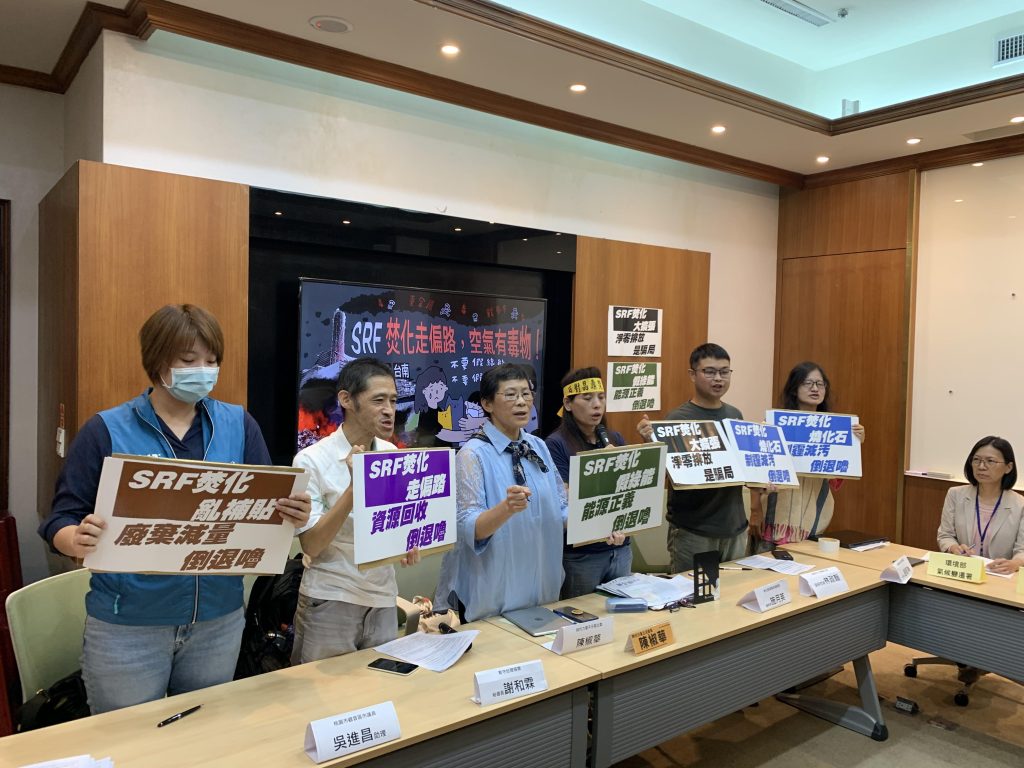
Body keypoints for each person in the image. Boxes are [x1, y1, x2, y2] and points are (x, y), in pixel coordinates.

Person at [38, 304, 311, 714]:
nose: (203, 370)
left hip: (218, 622)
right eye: (188, 361)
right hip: (127, 626)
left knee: (200, 743)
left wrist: (294, 514)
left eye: (211, 360)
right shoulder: (107, 429)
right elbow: (60, 517)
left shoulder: (239, 425)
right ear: (158, 360)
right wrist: (75, 538)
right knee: (126, 745)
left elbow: (269, 506)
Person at [291, 357, 420, 664]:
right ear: (346, 400)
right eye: (378, 400)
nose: (389, 410)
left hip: (384, 597)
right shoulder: (311, 460)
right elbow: (312, 544)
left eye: (393, 400)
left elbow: (394, 524)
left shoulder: (392, 454)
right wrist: (354, 488)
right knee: (322, 699)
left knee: (379, 690)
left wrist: (408, 544)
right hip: (330, 597)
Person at [435, 363, 566, 621]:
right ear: (487, 404)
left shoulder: (538, 446)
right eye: (510, 394)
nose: (522, 402)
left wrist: (599, 525)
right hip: (494, 593)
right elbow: (468, 528)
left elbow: (562, 508)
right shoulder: (472, 454)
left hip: (542, 583)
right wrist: (505, 509)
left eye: (526, 394)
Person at [637, 343, 745, 573]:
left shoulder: (735, 415)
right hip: (694, 530)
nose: (718, 378)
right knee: (692, 601)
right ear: (692, 375)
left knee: (731, 598)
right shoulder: (676, 419)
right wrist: (649, 442)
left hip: (734, 527)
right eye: (709, 371)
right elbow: (664, 472)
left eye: (724, 372)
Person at [750, 361, 867, 551]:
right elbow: (756, 473)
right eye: (808, 383)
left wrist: (854, 443)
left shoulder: (835, 428)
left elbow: (836, 478)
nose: (815, 389)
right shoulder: (772, 425)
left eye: (820, 384)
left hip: (813, 523)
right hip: (773, 521)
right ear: (794, 389)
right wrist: (755, 510)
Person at [545, 367, 630, 598]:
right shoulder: (555, 444)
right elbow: (564, 497)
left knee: (623, 616)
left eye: (601, 397)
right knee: (582, 620)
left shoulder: (614, 438)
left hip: (620, 548)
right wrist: (606, 467)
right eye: (587, 398)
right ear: (568, 403)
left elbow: (630, 490)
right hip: (582, 554)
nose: (597, 404)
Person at [937, 436, 1024, 574]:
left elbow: (1022, 550)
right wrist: (954, 548)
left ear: (1008, 467)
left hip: (999, 576)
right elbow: (945, 535)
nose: (981, 467)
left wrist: (1015, 563)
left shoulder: (1020, 505)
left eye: (990, 461)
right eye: (976, 460)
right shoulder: (955, 494)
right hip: (964, 571)